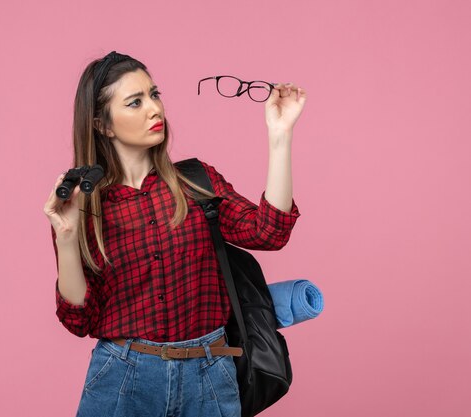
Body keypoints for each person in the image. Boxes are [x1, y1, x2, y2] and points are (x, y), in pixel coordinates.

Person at [43, 50, 306, 417]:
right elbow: (79, 320)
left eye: (154, 95)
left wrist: (280, 136)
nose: (154, 109)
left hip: (210, 374)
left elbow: (269, 232)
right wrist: (68, 240)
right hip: (123, 377)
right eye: (135, 102)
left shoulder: (195, 182)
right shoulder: (83, 205)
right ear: (103, 125)